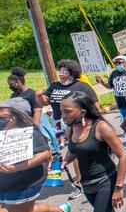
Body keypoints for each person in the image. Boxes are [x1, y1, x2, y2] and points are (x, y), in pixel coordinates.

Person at [60, 91, 126, 212]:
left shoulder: (100, 127)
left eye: (67, 111)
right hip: (87, 184)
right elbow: (74, 150)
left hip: (106, 181)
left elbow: (122, 156)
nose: (63, 115)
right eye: (62, 111)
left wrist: (119, 188)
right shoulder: (71, 127)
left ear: (82, 111)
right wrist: (64, 161)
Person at [0, 99, 70, 212]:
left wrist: (17, 168)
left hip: (23, 182)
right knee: (23, 211)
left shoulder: (29, 130)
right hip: (3, 182)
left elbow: (46, 155)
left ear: (14, 115)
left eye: (3, 110)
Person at [36, 59, 99, 200]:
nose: (61, 74)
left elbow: (95, 106)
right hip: (59, 124)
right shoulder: (54, 86)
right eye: (60, 71)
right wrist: (39, 95)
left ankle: (79, 182)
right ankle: (82, 179)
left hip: (77, 124)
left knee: (75, 151)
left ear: (72, 73)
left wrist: (96, 123)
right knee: (74, 151)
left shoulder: (82, 87)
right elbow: (44, 102)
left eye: (65, 71)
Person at [96, 55, 126, 156]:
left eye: (120, 62)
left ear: (125, 62)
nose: (118, 64)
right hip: (120, 102)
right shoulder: (114, 73)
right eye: (116, 63)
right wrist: (101, 82)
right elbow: (110, 86)